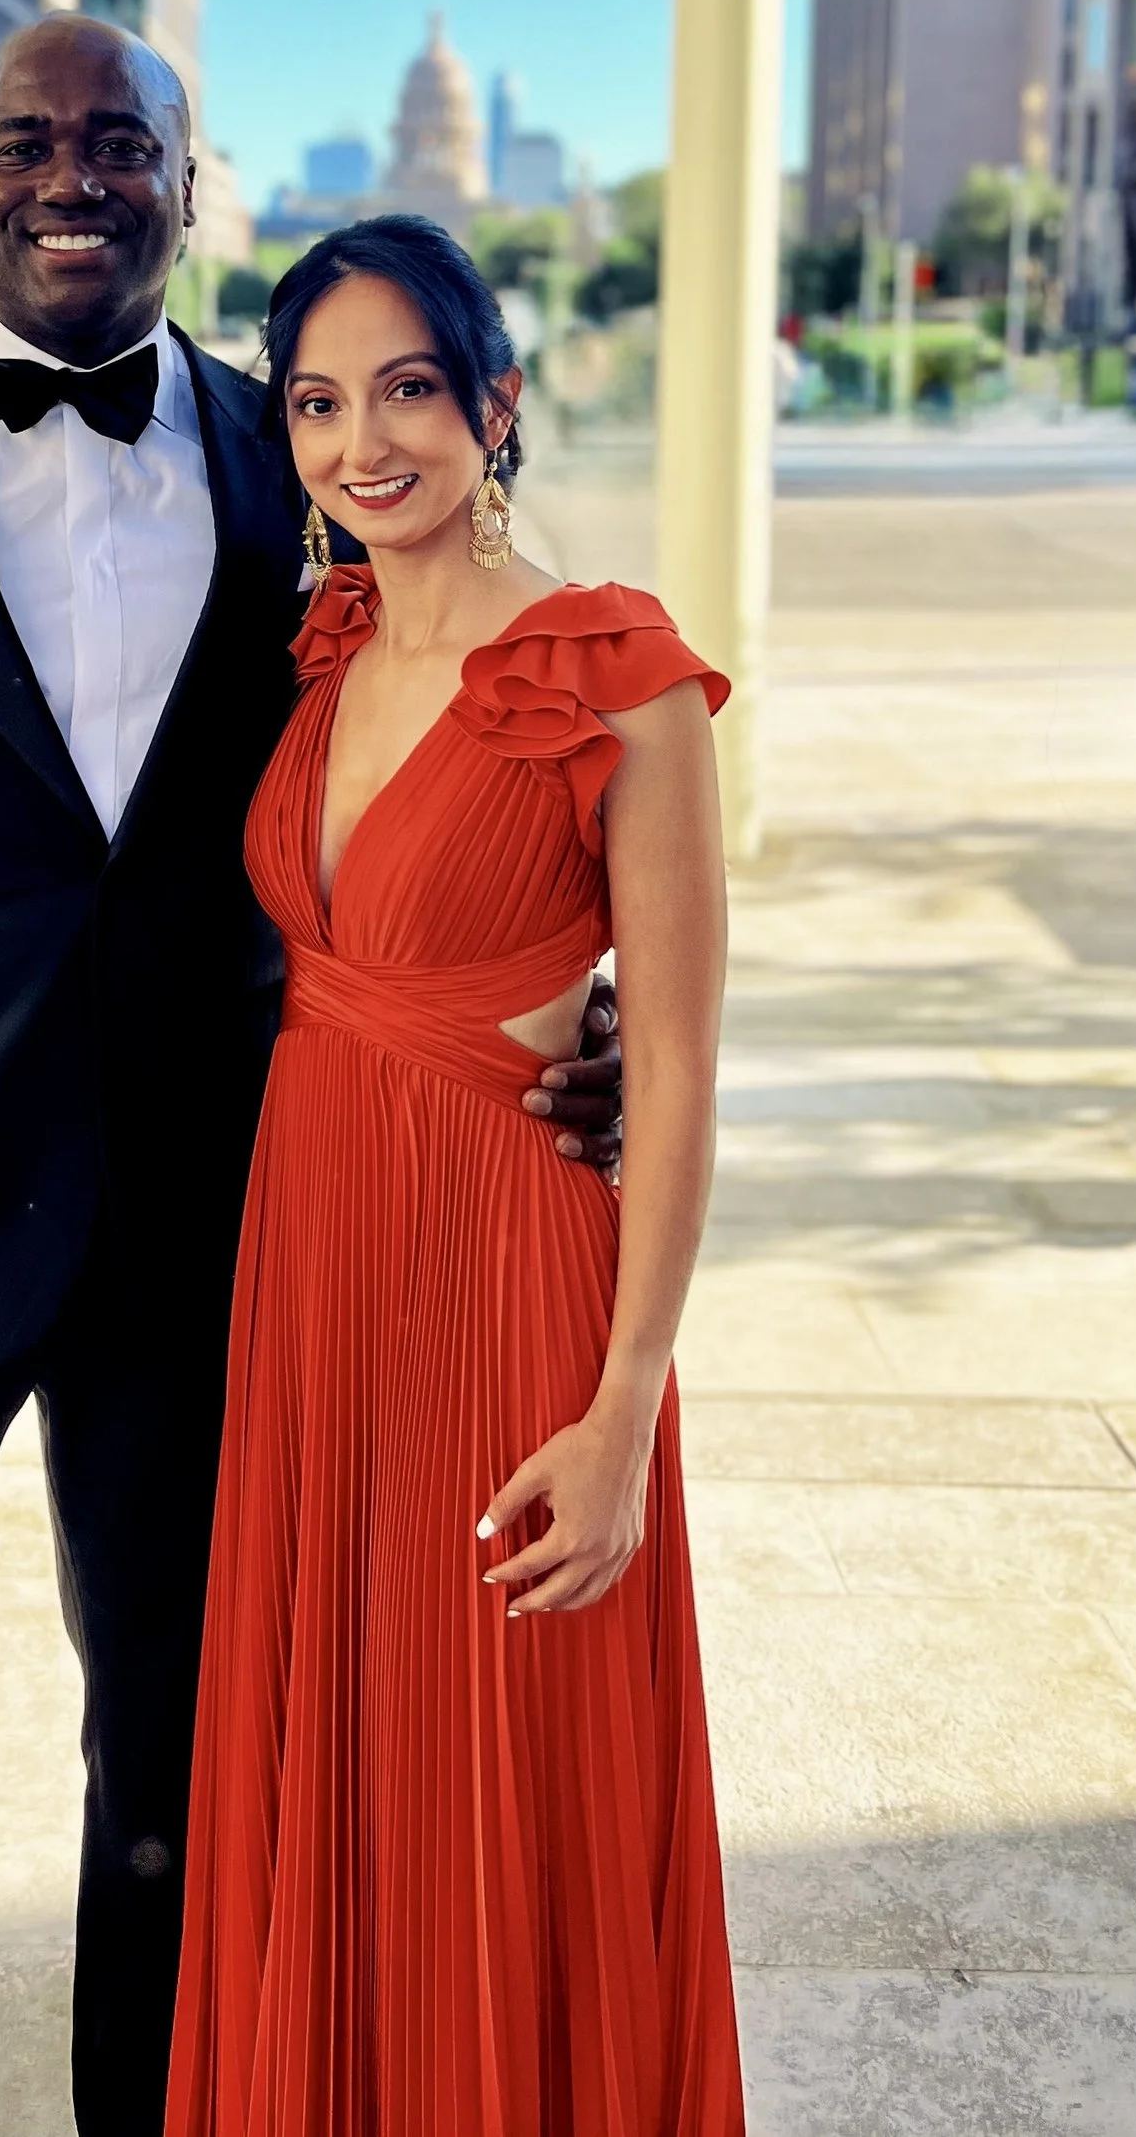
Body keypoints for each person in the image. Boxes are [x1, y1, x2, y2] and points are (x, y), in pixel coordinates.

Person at [0, 20, 618, 2137]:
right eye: (24, 143)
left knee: (179, 1748)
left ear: (185, 181)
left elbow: (457, 735)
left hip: (211, 1216)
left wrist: (572, 1001)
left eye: (118, 144)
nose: (70, 177)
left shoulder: (304, 457)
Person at [166, 215, 746, 2137]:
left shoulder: (613, 671)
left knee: (495, 1755)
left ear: (496, 403)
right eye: (319, 403)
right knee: (336, 1744)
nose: (364, 444)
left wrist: (626, 1408)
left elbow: (677, 1066)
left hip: (507, 1273)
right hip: (312, 1260)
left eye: (408, 389)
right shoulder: (327, 648)